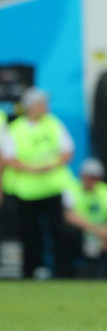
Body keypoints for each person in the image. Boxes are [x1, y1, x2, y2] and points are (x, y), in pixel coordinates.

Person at [1, 88, 75, 278]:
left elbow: (67, 151)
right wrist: (32, 169)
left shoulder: (53, 124)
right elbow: (8, 157)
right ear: (31, 107)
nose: (45, 107)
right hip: (26, 191)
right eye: (42, 103)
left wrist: (51, 165)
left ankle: (62, 272)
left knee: (58, 231)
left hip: (52, 188)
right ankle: (30, 271)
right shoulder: (16, 128)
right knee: (30, 233)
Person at [62, 158, 107, 278]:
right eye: (88, 177)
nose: (91, 180)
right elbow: (68, 215)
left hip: (104, 232)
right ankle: (67, 274)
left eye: (94, 177)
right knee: (66, 233)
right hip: (83, 232)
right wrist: (96, 231)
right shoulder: (72, 191)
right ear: (82, 176)